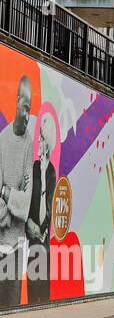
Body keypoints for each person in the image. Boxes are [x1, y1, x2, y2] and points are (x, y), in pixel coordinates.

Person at [0, 76, 34, 309]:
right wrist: (13, 202)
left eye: (30, 110)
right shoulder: (2, 140)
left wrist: (5, 193)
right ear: (17, 101)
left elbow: (26, 201)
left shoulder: (28, 144)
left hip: (17, 246)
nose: (27, 115)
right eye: (25, 108)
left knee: (12, 310)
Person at [25, 113, 56, 306]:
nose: (38, 141)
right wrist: (30, 223)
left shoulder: (50, 172)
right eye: (38, 137)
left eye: (42, 138)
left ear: (48, 143)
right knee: (31, 286)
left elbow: (50, 206)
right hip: (32, 236)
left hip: (43, 240)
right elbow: (29, 198)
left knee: (43, 287)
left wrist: (42, 229)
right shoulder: (34, 168)